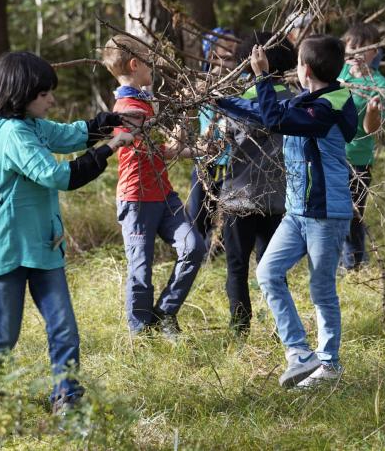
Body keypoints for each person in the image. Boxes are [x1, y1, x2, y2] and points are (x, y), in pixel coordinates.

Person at [0, 51, 134, 412]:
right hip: (10, 249)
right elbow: (56, 176)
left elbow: (68, 135)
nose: (52, 99)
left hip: (44, 246)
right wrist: (109, 147)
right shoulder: (13, 133)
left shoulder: (31, 125)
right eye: (44, 93)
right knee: (2, 339)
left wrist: (111, 121)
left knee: (64, 329)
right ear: (20, 93)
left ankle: (67, 397)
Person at [216, 35, 357, 388]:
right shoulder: (307, 102)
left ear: (304, 70)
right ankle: (299, 353)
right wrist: (217, 101)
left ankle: (329, 365)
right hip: (296, 213)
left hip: (326, 213)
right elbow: (266, 115)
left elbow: (277, 119)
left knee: (321, 289)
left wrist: (262, 76)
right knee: (267, 272)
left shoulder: (331, 106)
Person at [103, 34, 206, 338]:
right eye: (149, 61)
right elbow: (143, 143)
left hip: (164, 195)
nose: (155, 66)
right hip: (137, 199)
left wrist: (196, 147)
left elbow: (164, 150)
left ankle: (165, 313)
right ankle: (141, 334)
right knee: (141, 271)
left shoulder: (147, 101)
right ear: (135, 65)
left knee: (194, 247)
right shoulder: (126, 107)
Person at [218, 32, 295, 335]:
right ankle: (282, 326)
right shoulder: (293, 100)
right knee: (273, 269)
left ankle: (240, 328)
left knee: (237, 266)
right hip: (277, 199)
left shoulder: (236, 103)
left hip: (240, 198)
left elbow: (221, 145)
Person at [337, 23, 385, 271]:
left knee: (352, 213)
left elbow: (372, 129)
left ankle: (353, 264)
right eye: (353, 48)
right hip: (328, 153)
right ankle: (335, 260)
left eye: (365, 49)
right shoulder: (335, 73)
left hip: (357, 158)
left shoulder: (381, 85)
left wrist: (371, 111)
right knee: (329, 212)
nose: (358, 55)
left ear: (375, 52)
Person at [186, 28, 238, 254]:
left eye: (234, 49)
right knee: (198, 213)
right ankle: (199, 255)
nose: (231, 53)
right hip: (205, 157)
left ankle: (214, 255)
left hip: (233, 160)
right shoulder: (201, 83)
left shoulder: (242, 81)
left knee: (229, 218)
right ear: (210, 53)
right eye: (225, 49)